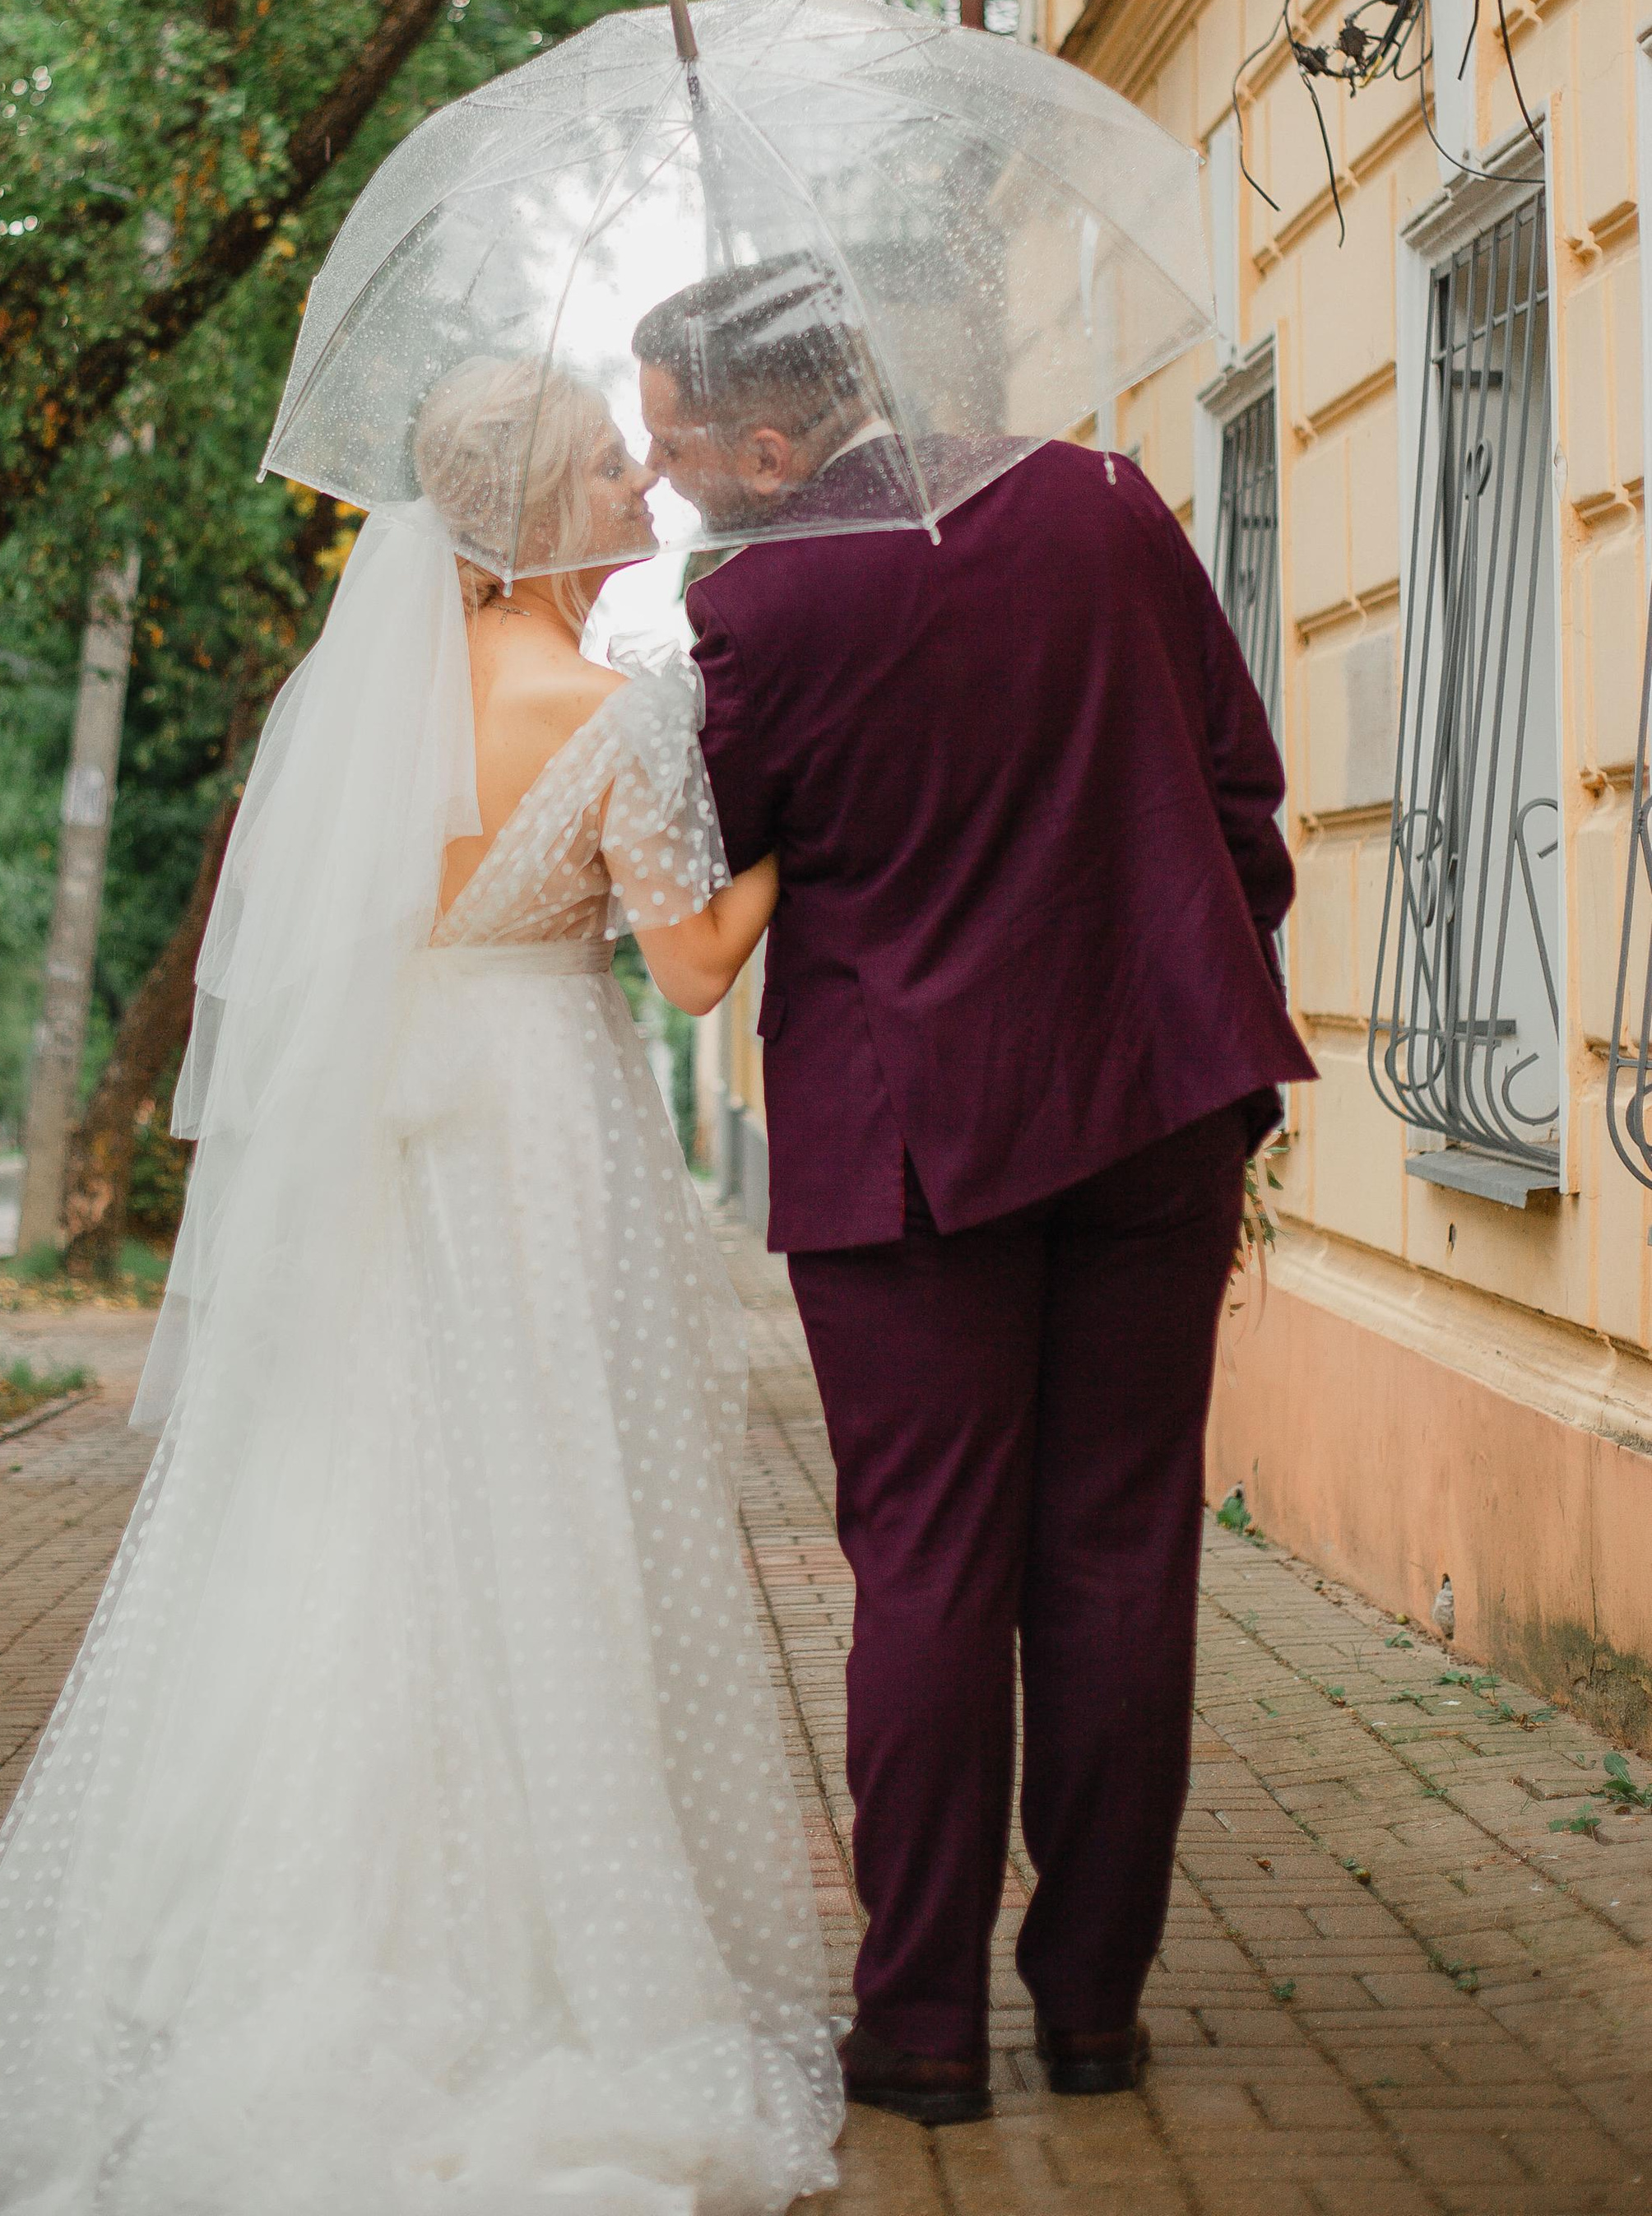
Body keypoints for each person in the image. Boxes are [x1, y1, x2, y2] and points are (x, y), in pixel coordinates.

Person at [0, 357, 842, 2216]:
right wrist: (801, 840)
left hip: (389, 1132)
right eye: (609, 463)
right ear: (531, 515)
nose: (641, 479)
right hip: (534, 1130)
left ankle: (292, 1943)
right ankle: (530, 1958)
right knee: (538, 1510)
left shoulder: (363, 715)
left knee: (363, 1511)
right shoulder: (616, 715)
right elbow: (692, 971)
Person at [635, 256, 1314, 2130]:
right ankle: (1092, 2015)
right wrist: (1170, 989)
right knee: (1116, 1550)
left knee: (924, 1566)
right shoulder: (1103, 504)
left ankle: (919, 2030)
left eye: (675, 441)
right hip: (1153, 1108)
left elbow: (710, 867)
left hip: (909, 1148)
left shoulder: (758, 608)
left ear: (773, 439)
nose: (663, 473)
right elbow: (1238, 797)